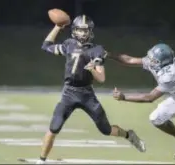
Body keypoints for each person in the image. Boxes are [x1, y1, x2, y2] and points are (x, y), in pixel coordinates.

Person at [36, 15, 146, 164]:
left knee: (106, 129)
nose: (82, 33)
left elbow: (101, 78)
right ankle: (41, 161)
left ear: (90, 32)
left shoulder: (96, 50)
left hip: (87, 94)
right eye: (79, 30)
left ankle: (128, 135)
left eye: (85, 30)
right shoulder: (69, 44)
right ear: (74, 31)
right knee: (54, 127)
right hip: (68, 93)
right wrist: (57, 26)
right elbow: (46, 46)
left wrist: (93, 70)